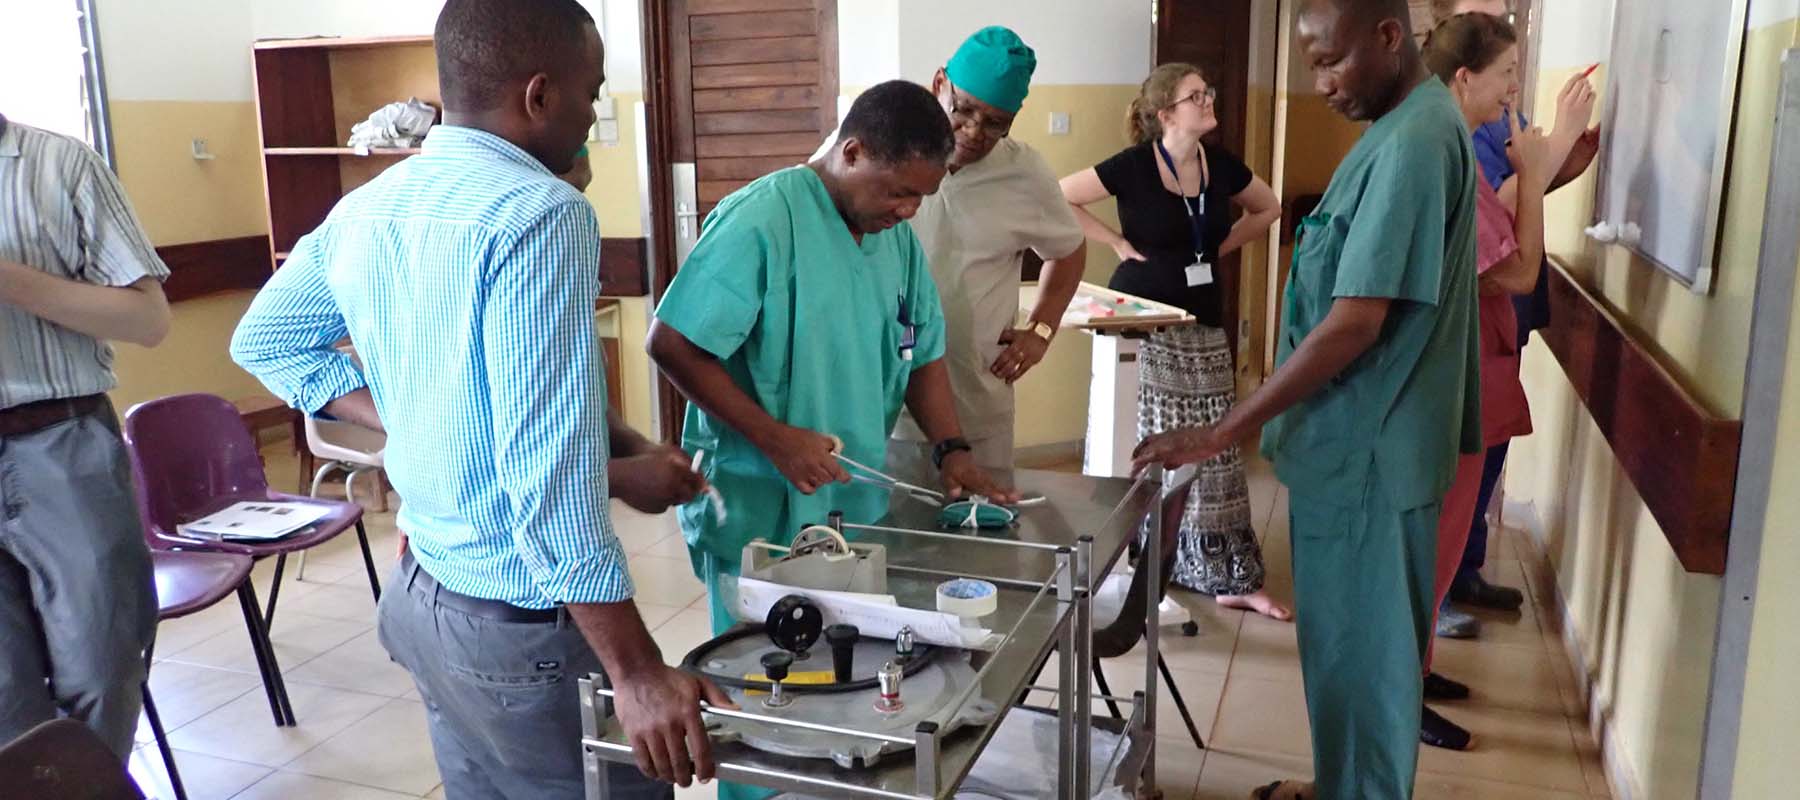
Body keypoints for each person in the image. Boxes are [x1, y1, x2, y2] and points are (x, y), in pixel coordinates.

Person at [230, 1, 730, 796]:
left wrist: (414, 417)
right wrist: (635, 671)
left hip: (426, 599)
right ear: (540, 95)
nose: (593, 113)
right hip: (519, 631)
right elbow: (545, 472)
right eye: (591, 93)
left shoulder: (370, 205)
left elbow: (266, 341)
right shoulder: (541, 213)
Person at [1134, 0, 1480, 796]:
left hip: (1370, 452)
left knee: (1364, 663)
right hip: (1357, 447)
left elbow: (1355, 322)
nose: (1320, 83)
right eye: (1310, 65)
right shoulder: (1398, 128)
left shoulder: (1415, 145)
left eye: (1331, 60)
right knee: (1343, 657)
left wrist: (1223, 431)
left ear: (1390, 37)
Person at [648, 80, 1016, 800]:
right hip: (761, 514)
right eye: (898, 192)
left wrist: (953, 450)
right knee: (764, 707)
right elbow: (673, 343)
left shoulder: (895, 244)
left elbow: (923, 352)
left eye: (921, 199)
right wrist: (777, 438)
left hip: (850, 512)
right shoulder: (763, 220)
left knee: (849, 701)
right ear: (851, 152)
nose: (908, 211)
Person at [1415, 11, 1595, 752]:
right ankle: (1401, 691)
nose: (1513, 90)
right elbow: (1517, 269)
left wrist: (1541, 158)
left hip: (1471, 377)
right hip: (1450, 384)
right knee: (1428, 551)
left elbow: (1528, 192)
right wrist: (1531, 166)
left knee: (1447, 538)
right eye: (1506, 77)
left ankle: (1415, 671)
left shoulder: (1453, 141)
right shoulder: (1449, 154)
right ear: (1464, 78)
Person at [1061, 63, 1286, 619]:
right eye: (1196, 95)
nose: (1208, 100)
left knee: (1215, 442)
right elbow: (1060, 196)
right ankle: (1148, 562)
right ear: (1166, 113)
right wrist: (1114, 241)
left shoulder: (1221, 165)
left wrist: (1220, 249)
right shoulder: (1136, 165)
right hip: (1142, 320)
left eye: (1208, 91)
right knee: (1151, 443)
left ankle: (1229, 571)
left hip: (1202, 318)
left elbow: (1270, 207)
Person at [0, 113, 168, 759]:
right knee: (7, 697)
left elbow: (148, 320)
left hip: (60, 439)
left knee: (104, 664)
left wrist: (13, 281)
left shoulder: (61, 163)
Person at [881, 25, 1089, 472]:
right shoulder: (884, 146)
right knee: (889, 533)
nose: (974, 131)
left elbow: (1069, 250)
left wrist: (1042, 330)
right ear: (939, 84)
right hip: (883, 404)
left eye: (995, 123)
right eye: (964, 110)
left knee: (980, 529)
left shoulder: (1024, 173)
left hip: (975, 400)